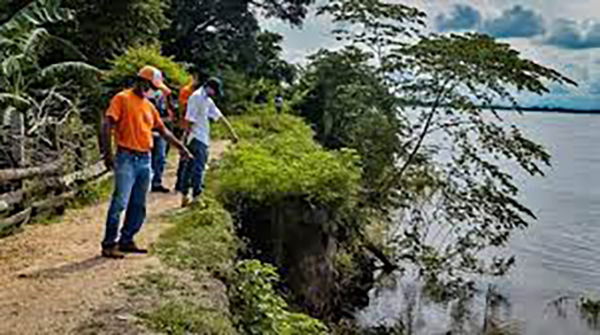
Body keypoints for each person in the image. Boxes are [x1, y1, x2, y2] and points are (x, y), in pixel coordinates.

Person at [100, 66, 193, 259]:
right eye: (152, 86)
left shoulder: (149, 106)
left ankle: (127, 240)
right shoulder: (122, 99)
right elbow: (106, 125)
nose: (154, 90)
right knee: (120, 202)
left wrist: (182, 148)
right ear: (142, 81)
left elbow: (163, 131)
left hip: (145, 159)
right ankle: (109, 244)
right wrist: (108, 155)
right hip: (126, 157)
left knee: (139, 204)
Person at [175, 77, 238, 207]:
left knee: (189, 167)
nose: (215, 94)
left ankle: (185, 197)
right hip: (196, 138)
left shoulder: (207, 100)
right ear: (209, 87)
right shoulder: (196, 97)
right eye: (215, 91)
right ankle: (196, 197)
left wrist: (232, 134)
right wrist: (184, 140)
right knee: (198, 167)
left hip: (200, 137)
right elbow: (189, 120)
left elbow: (220, 117)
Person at [149, 89, 175, 193]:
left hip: (161, 131)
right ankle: (149, 182)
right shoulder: (145, 98)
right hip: (148, 131)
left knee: (160, 158)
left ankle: (156, 182)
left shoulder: (164, 95)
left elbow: (169, 114)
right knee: (152, 158)